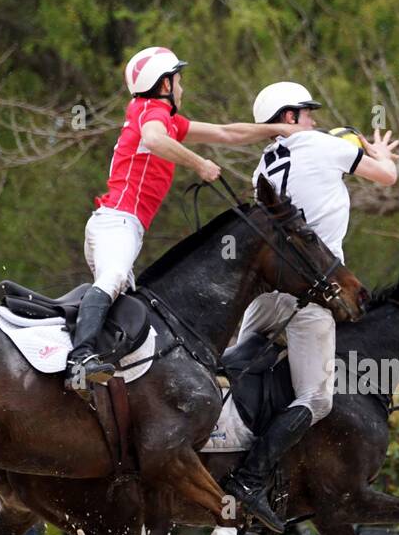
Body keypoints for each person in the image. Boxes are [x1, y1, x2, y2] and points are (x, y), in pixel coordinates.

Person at [220, 81, 399, 532]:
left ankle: (221, 459)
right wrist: (378, 152)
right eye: (306, 111)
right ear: (288, 117)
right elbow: (388, 179)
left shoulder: (263, 164)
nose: (314, 119)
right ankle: (253, 477)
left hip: (265, 293)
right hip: (311, 289)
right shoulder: (321, 145)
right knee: (316, 399)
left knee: (243, 375)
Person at [67, 47, 304, 389]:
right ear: (164, 84)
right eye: (178, 80)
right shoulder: (154, 113)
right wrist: (199, 164)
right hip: (117, 223)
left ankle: (114, 376)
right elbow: (153, 139)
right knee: (114, 278)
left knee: (132, 310)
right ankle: (79, 358)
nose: (182, 88)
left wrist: (279, 130)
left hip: (121, 224)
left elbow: (227, 133)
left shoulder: (157, 115)